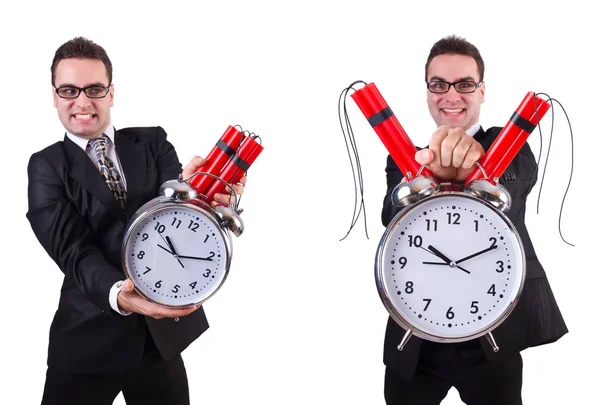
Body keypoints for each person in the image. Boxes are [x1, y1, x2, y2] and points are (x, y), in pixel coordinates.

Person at [26, 36, 246, 405]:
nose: (82, 102)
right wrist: (123, 296)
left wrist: (206, 196)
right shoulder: (46, 166)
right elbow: (73, 251)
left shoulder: (151, 142)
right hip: (87, 342)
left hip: (157, 343)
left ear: (111, 94)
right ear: (54, 96)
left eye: (94, 89)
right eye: (69, 90)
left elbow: (178, 220)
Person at [380, 35, 568, 405]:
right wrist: (423, 172)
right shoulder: (402, 160)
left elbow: (514, 182)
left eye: (465, 84)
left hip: (494, 345)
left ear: (482, 92)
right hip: (415, 344)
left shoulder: (507, 146)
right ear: (428, 92)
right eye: (439, 84)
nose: (451, 95)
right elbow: (391, 216)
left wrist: (477, 160)